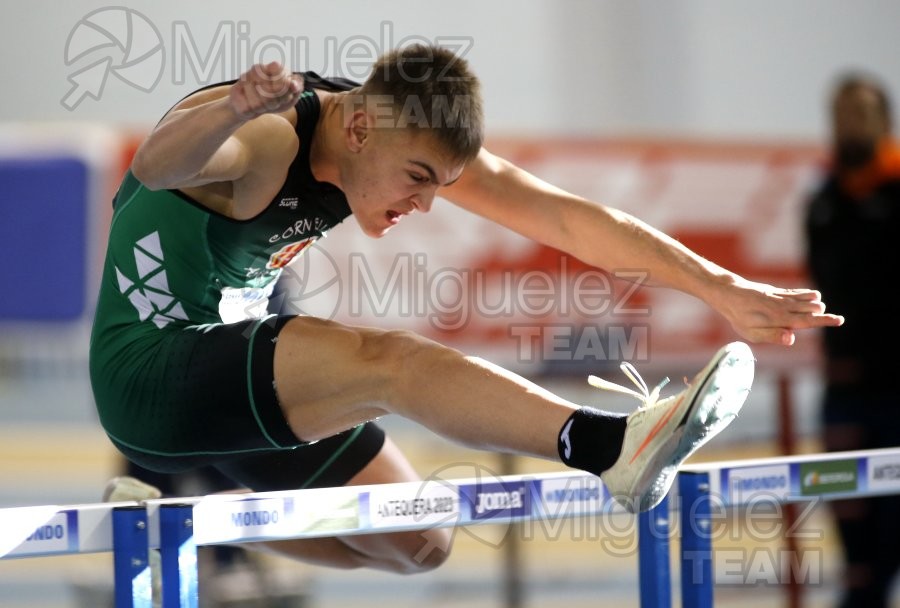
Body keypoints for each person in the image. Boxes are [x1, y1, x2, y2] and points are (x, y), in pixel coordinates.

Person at [90, 44, 842, 575]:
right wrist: (229, 107)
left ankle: (173, 522)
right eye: (416, 178)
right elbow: (158, 165)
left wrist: (723, 289)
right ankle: (607, 448)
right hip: (151, 372)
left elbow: (568, 219)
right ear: (357, 127)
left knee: (419, 542)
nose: (421, 202)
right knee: (393, 363)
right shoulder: (262, 137)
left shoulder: (388, 127)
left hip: (233, 387)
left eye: (438, 187)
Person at [805, 73, 900, 608]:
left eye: (860, 113)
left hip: (896, 394)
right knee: (858, 557)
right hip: (843, 396)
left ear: (884, 121)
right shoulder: (822, 203)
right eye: (841, 113)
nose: (849, 125)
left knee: (889, 541)